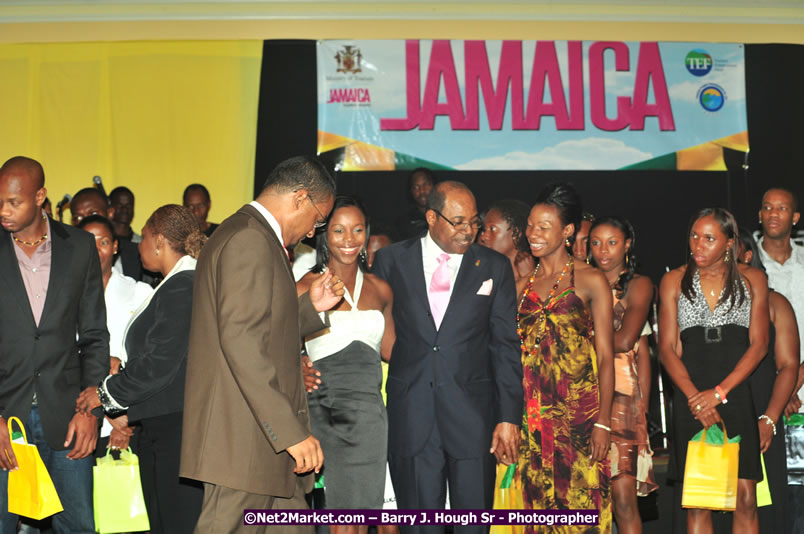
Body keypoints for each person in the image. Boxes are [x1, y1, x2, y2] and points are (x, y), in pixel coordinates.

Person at [180, 156, 344, 534]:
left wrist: (308, 308)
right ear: (301, 198)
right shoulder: (250, 239)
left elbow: (260, 329)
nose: (311, 233)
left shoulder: (252, 235)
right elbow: (242, 341)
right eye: (319, 220)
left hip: (262, 450)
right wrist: (290, 432)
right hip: (243, 446)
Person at [373, 180, 522, 534]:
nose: (468, 231)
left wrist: (508, 417)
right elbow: (373, 330)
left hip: (474, 419)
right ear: (430, 217)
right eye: (457, 221)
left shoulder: (494, 266)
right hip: (412, 416)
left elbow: (505, 345)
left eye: (473, 221)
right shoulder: (391, 260)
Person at [77, 205, 205, 533]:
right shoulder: (177, 282)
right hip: (165, 425)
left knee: (175, 522)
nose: (139, 246)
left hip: (176, 429)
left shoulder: (182, 285)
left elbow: (159, 365)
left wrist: (105, 392)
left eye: (144, 238)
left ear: (160, 241)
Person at [0, 156, 109, 533]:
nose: (3, 211)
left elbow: (95, 335)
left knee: (78, 524)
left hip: (68, 415)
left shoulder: (78, 247)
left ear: (41, 196)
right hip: (4, 416)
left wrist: (91, 410)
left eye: (14, 202)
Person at [658, 207, 769, 534]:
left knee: (745, 495)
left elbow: (760, 345)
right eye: (694, 236)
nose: (698, 245)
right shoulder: (673, 279)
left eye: (709, 238)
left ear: (729, 243)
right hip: (690, 393)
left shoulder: (753, 278)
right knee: (699, 497)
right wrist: (696, 398)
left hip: (733, 392)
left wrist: (719, 394)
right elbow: (666, 348)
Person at [517, 183, 614, 533]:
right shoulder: (522, 285)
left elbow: (605, 356)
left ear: (568, 231)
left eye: (543, 227)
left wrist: (603, 422)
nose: (533, 234)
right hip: (534, 420)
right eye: (530, 225)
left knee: (582, 508)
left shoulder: (590, 280)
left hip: (580, 419)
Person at [297, 196, 395, 534]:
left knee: (366, 517)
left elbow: (392, 351)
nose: (349, 239)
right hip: (326, 408)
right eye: (338, 230)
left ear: (367, 235)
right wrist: (297, 364)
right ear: (324, 235)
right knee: (341, 519)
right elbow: (274, 343)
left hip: (370, 414)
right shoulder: (306, 286)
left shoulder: (381, 290)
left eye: (357, 230)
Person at [588, 216, 657, 534]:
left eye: (612, 242)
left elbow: (629, 340)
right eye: (596, 242)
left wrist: (573, 343)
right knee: (587, 501)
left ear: (627, 245)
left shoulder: (638, 284)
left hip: (622, 397)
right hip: (581, 393)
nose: (603, 250)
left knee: (624, 499)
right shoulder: (579, 282)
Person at [732, 228, 798, 534]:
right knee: (715, 505)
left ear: (747, 256)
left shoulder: (774, 302)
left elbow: (787, 365)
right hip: (715, 413)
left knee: (761, 508)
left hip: (761, 412)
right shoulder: (699, 303)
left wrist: (770, 418)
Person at [77, 214, 152, 454]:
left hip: (131, 415)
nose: (97, 249)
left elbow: (154, 356)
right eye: (89, 241)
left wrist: (124, 416)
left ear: (116, 246)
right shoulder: (62, 296)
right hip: (80, 415)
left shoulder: (141, 293)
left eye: (104, 242)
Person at [755, 187, 804, 531]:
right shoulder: (745, 263)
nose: (774, 214)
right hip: (764, 394)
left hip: (801, 383)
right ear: (759, 215)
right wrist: (779, 390)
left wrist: (795, 379)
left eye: (782, 208)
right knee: (773, 490)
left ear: (795, 218)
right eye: (767, 208)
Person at [71, 187, 143, 281]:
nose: (86, 221)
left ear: (110, 213)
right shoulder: (67, 259)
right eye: (78, 218)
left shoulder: (138, 256)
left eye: (93, 213)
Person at [477, 198, 535, 296]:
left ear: (516, 234)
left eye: (492, 229)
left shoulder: (539, 273)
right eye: (484, 229)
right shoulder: (481, 271)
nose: (483, 236)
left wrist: (532, 278)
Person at [392, 167, 434, 241]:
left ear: (434, 185)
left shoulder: (445, 216)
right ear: (410, 191)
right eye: (416, 187)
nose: (422, 191)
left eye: (426, 185)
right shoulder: (403, 222)